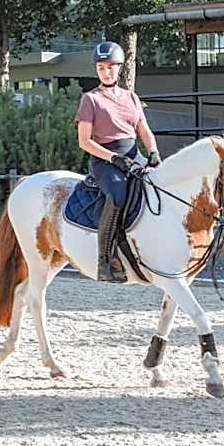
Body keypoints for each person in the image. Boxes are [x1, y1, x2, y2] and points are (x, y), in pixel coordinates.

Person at [75, 41, 161, 282]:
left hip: (133, 154)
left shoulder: (131, 97)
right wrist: (113, 157)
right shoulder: (90, 100)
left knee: (160, 185)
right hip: (105, 159)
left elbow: (143, 129)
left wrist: (153, 151)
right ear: (97, 70)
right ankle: (104, 261)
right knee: (117, 196)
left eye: (111, 67)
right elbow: (84, 141)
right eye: (101, 67)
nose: (107, 71)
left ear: (120, 69)